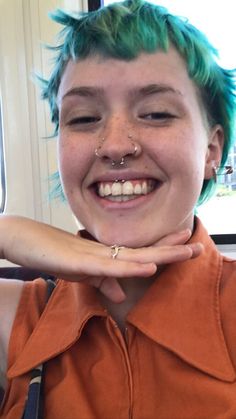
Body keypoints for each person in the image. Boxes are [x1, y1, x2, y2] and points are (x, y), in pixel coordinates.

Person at [0, 0, 236, 417]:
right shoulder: (21, 317)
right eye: (84, 118)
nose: (114, 146)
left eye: (157, 113)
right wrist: (7, 231)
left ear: (212, 150)